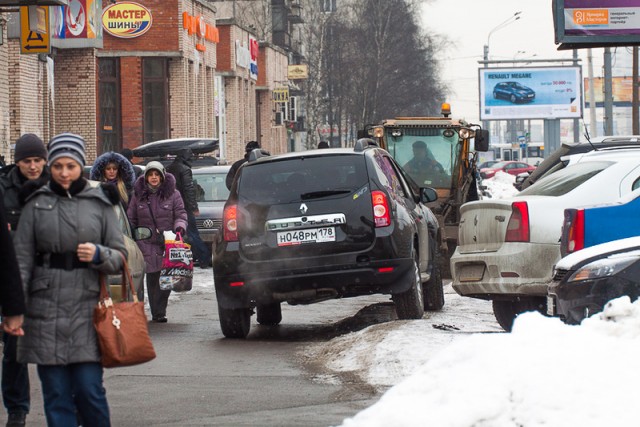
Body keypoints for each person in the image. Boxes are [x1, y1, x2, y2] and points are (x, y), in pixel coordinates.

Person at [13, 133, 127, 427]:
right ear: (50, 167)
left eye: (71, 166)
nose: (64, 173)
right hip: (43, 312)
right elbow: (21, 261)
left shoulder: (100, 203)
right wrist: (16, 309)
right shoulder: (35, 204)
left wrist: (100, 254)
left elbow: (120, 257)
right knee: (56, 395)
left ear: (81, 167)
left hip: (88, 312)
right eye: (58, 166)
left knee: (90, 392)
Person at [0, 133, 49, 427]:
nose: (32, 166)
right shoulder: (4, 189)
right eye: (26, 161)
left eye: (37, 160)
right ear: (18, 162)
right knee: (15, 348)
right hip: (14, 279)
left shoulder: (56, 187)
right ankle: (17, 409)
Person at [127, 161, 187, 323]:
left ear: (162, 176)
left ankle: (159, 312)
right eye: (150, 175)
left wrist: (179, 228)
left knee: (165, 278)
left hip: (166, 242)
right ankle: (156, 311)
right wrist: (130, 234)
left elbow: (180, 214)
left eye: (156, 175)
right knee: (152, 277)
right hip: (145, 242)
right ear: (146, 177)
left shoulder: (173, 194)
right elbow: (131, 218)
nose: (154, 178)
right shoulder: (138, 195)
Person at [167, 149, 211, 268]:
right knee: (192, 234)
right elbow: (189, 189)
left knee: (176, 235)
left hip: (171, 206)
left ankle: (179, 259)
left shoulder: (170, 168)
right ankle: (204, 257)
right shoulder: (185, 169)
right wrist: (193, 207)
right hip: (185, 206)